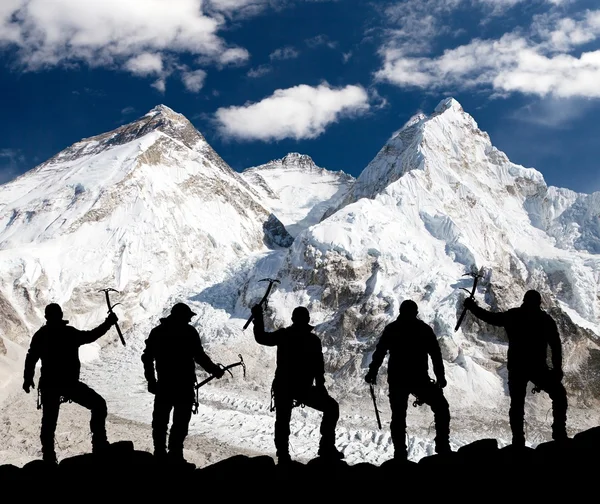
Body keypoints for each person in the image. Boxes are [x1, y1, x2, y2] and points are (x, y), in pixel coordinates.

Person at [463, 289, 568, 447]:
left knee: (517, 404)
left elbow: (490, 317)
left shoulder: (513, 315)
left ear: (524, 301)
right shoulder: (545, 319)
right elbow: (555, 346)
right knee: (559, 394)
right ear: (539, 303)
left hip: (517, 367)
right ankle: (559, 432)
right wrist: (557, 369)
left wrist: (472, 307)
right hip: (538, 367)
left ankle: (518, 439)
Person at [22, 303, 119, 464]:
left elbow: (31, 357)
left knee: (48, 422)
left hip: (50, 384)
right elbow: (91, 336)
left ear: (47, 317)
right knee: (98, 405)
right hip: (69, 384)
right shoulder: (69, 333)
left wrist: (27, 378)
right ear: (60, 315)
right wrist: (109, 323)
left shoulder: (41, 335)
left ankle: (49, 458)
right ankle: (99, 445)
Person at [251, 303, 343, 464]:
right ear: (307, 320)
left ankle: (283, 455)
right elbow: (318, 368)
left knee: (282, 420)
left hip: (284, 386)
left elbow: (261, 338)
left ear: (293, 319)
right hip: (303, 388)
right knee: (331, 407)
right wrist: (321, 388)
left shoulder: (284, 335)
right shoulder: (313, 340)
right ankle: (326, 447)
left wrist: (258, 318)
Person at [365, 299, 451, 459]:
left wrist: (372, 372)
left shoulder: (392, 329)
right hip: (419, 379)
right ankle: (442, 445)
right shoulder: (423, 329)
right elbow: (435, 354)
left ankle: (400, 453)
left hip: (398, 380)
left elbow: (380, 352)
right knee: (441, 407)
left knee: (398, 417)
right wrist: (440, 377)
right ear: (416, 313)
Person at [141, 302, 224, 467]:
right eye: (187, 317)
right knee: (180, 422)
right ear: (182, 316)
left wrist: (151, 380)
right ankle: (175, 456)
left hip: (164, 385)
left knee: (160, 421)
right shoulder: (188, 332)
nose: (189, 320)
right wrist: (214, 370)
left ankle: (160, 455)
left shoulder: (158, 332)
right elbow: (199, 356)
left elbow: (147, 357)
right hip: (184, 387)